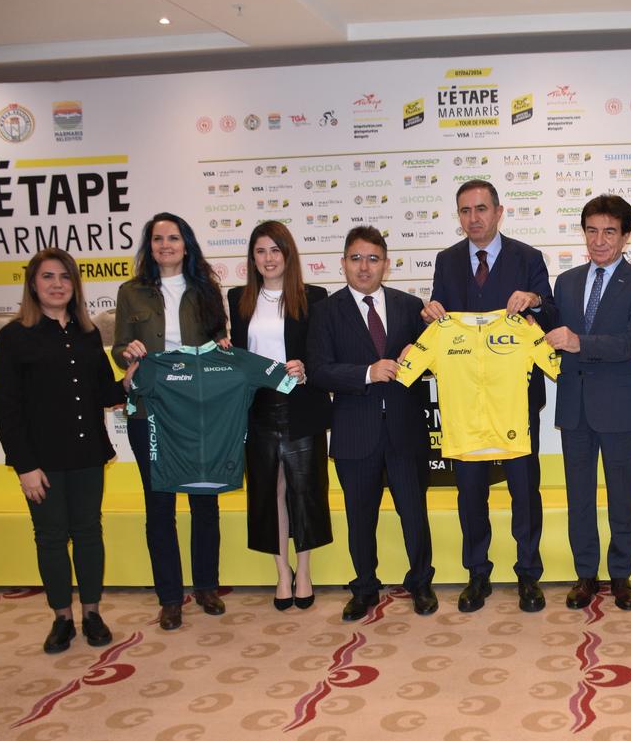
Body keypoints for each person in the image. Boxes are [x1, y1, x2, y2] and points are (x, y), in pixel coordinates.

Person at [420, 180, 558, 613]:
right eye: (465, 211)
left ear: (499, 212)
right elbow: (437, 316)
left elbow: (551, 311)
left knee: (524, 490)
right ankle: (477, 574)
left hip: (515, 398)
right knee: (470, 493)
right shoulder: (446, 261)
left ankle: (528, 575)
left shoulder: (527, 257)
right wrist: (430, 311)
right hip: (465, 403)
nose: (473, 218)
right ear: (458, 216)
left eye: (481, 208)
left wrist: (533, 299)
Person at [0, 249, 132, 653]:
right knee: (51, 538)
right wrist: (25, 466)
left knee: (89, 533)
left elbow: (104, 392)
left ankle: (91, 612)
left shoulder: (88, 334)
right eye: (48, 277)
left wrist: (128, 381)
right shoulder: (14, 336)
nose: (57, 284)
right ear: (33, 284)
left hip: (87, 454)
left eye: (65, 278)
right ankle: (61, 618)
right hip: (42, 462)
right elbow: (7, 408)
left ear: (75, 286)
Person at [308, 226, 437, 619]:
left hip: (405, 428)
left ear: (387, 264)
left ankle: (421, 582)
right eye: (356, 258)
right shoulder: (326, 311)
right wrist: (366, 372)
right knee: (359, 516)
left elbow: (432, 364)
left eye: (373, 259)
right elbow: (318, 370)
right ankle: (364, 586)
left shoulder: (409, 305)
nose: (364, 267)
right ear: (343, 263)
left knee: (414, 512)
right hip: (354, 431)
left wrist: (423, 351)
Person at [113, 212, 230, 631]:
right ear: (150, 246)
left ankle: (206, 587)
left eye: (174, 238)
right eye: (158, 239)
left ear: (186, 244)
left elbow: (220, 340)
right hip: (150, 412)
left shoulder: (206, 290)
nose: (166, 245)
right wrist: (128, 352)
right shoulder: (131, 292)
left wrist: (222, 346)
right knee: (159, 506)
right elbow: (119, 347)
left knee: (204, 500)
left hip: (198, 412)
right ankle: (169, 597)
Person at [545, 195, 631, 611]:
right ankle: (585, 575)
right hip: (574, 406)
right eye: (592, 230)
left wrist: (580, 342)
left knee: (623, 496)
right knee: (580, 496)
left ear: (626, 236)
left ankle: (622, 575)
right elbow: (550, 333)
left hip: (620, 406)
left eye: (609, 231)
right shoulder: (567, 281)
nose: (599, 240)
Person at [227, 221, 332, 612]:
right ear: (252, 258)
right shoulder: (238, 298)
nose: (268, 258)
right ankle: (281, 572)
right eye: (260, 251)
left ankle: (304, 571)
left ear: (288, 254)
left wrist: (305, 367)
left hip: (301, 403)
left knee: (304, 490)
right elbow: (238, 357)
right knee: (269, 491)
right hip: (259, 407)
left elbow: (322, 355)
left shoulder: (314, 297)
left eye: (275, 250)